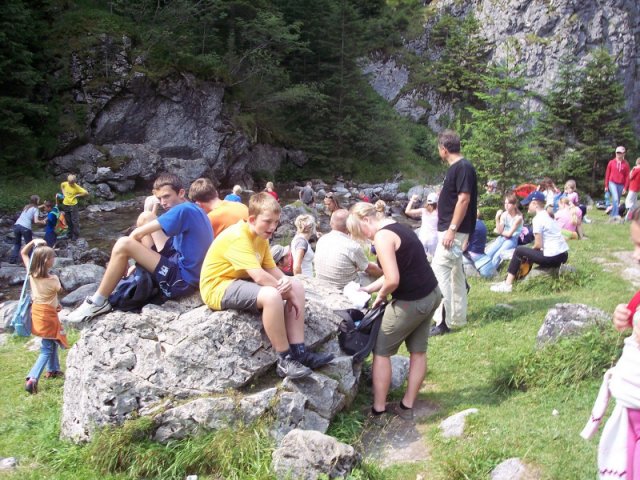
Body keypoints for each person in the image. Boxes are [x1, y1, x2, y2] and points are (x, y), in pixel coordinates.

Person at [199, 192, 333, 379]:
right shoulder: (238, 236)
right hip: (218, 286)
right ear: (252, 219)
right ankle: (285, 359)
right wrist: (287, 294)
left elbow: (270, 268)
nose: (273, 227)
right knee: (271, 296)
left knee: (296, 285)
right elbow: (259, 276)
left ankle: (300, 352)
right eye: (268, 221)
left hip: (240, 280)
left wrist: (288, 285)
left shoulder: (261, 237)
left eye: (276, 222)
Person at [68, 173, 213, 322]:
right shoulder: (193, 207)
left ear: (181, 193)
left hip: (182, 280)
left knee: (123, 244)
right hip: (181, 261)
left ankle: (98, 303)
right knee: (146, 217)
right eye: (160, 199)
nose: (163, 203)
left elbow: (136, 234)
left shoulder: (183, 210)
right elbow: (150, 224)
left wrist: (126, 259)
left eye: (167, 196)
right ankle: (144, 266)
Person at [347, 202, 442, 422]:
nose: (365, 237)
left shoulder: (382, 237)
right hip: (432, 294)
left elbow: (392, 280)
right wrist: (368, 289)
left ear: (366, 220)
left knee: (381, 350)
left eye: (361, 231)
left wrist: (380, 298)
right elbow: (395, 271)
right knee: (418, 351)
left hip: (412, 302)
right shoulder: (398, 227)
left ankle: (378, 410)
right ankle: (406, 406)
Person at [582, 208, 640, 478]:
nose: (636, 255)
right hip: (631, 411)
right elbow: (629, 317)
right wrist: (623, 317)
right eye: (634, 245)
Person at [430, 129, 478, 336]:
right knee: (455, 274)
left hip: (452, 231)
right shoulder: (457, 168)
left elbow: (464, 199)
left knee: (439, 270)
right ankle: (457, 317)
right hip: (452, 230)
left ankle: (443, 322)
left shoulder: (463, 167)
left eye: (438, 148)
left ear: (444, 149)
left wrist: (452, 229)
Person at [490, 191, 569, 293]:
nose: (526, 207)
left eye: (528, 204)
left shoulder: (537, 219)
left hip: (553, 257)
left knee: (519, 251)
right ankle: (509, 280)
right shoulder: (548, 216)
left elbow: (538, 245)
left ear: (535, 204)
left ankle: (507, 284)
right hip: (563, 255)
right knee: (525, 251)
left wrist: (530, 252)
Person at [21, 240, 68, 394]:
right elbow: (58, 291)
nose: (54, 259)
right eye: (52, 257)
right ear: (47, 261)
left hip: (37, 312)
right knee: (46, 348)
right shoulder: (53, 280)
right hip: (48, 315)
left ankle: (53, 369)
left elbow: (23, 253)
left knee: (52, 340)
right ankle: (32, 378)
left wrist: (33, 242)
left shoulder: (32, 274)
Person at [314, 209, 382, 291]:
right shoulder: (352, 246)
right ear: (350, 225)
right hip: (345, 289)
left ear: (331, 223)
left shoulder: (322, 240)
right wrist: (386, 272)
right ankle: (384, 294)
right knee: (376, 273)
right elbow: (370, 269)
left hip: (323, 286)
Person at [485, 194, 523, 271]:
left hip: (512, 239)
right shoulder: (504, 215)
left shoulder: (518, 218)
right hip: (502, 237)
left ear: (514, 205)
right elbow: (500, 229)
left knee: (498, 255)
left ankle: (490, 273)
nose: (506, 205)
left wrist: (499, 231)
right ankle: (483, 270)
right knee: (489, 253)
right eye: (505, 203)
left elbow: (509, 234)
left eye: (509, 203)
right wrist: (497, 218)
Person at [9, 195, 45, 264]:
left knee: (17, 244)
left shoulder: (26, 207)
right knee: (29, 244)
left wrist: (42, 205)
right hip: (25, 227)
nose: (39, 201)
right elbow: (36, 221)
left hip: (17, 225)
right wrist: (43, 222)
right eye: (38, 200)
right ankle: (30, 260)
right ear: (36, 201)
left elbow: (34, 207)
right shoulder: (36, 209)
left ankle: (12, 260)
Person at [405, 192, 439, 258]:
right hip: (433, 239)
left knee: (422, 257)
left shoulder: (423, 211)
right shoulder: (438, 212)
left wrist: (412, 200)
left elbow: (407, 211)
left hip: (423, 237)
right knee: (433, 258)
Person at [60, 174, 89, 241]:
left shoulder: (76, 187)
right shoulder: (65, 184)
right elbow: (62, 185)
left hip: (73, 205)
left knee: (74, 221)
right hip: (65, 204)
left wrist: (77, 195)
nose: (70, 184)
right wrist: (64, 194)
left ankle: (75, 235)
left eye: (71, 183)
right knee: (68, 220)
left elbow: (86, 193)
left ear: (74, 182)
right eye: (69, 182)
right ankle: (69, 234)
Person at [605, 146, 630, 220]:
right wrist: (606, 185)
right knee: (615, 198)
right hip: (612, 182)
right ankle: (615, 215)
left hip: (621, 184)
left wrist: (625, 187)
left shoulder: (626, 164)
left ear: (623, 154)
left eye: (620, 153)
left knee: (617, 200)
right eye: (617, 153)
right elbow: (607, 174)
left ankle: (612, 214)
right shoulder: (611, 162)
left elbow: (627, 177)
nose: (618, 154)